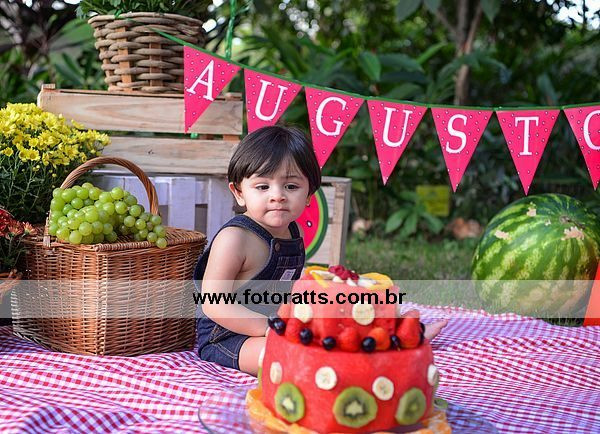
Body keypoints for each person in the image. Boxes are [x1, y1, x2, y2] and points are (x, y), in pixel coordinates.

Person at [194, 125, 447, 375]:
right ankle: (379, 363)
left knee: (341, 323)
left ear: (308, 195)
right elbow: (214, 304)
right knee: (297, 358)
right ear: (239, 192)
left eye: (291, 187)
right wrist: (270, 328)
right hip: (229, 336)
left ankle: (400, 337)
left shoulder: (294, 232)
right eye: (263, 187)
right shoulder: (235, 239)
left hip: (282, 322)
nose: (277, 195)